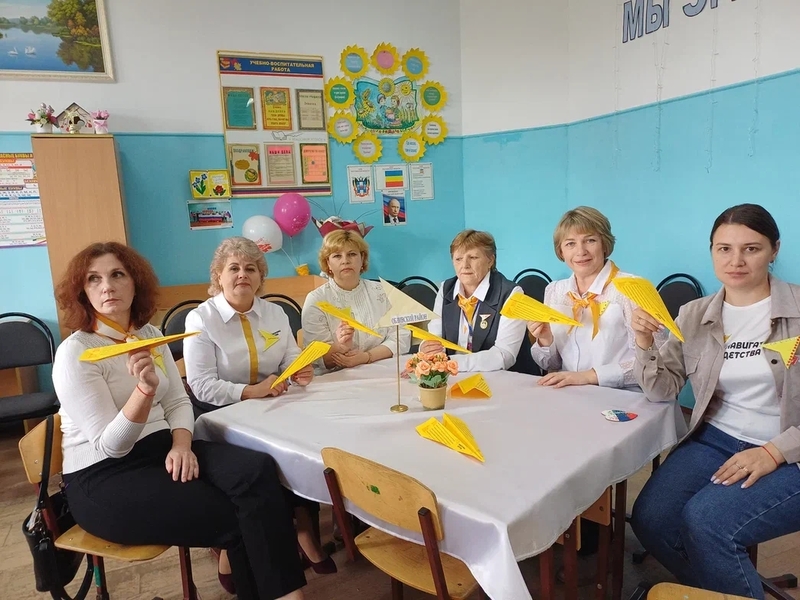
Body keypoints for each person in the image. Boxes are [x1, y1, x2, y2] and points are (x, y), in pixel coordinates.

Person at [52, 242, 307, 600]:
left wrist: (182, 444)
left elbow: (177, 399)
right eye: (94, 279)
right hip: (104, 475)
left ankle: (285, 595)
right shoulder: (76, 352)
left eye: (117, 275)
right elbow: (112, 445)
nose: (106, 286)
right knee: (235, 513)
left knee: (257, 471)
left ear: (135, 283)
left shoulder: (149, 335)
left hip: (163, 449)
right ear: (82, 291)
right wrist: (143, 392)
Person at [630, 204, 800, 599]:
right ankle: (730, 587)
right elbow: (661, 389)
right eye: (724, 249)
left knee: (707, 522)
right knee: (651, 519)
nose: (735, 260)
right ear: (711, 251)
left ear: (774, 249)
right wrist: (643, 343)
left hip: (787, 448)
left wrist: (775, 451)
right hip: (716, 439)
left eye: (751, 249)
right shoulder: (694, 315)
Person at [183, 237, 335, 586]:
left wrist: (299, 370)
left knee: (305, 444)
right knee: (262, 463)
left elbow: (289, 360)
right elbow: (201, 385)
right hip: (220, 414)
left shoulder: (275, 313)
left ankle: (303, 528)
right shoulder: (201, 318)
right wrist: (250, 391)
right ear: (218, 276)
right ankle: (239, 547)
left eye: (250, 268)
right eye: (233, 268)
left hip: (271, 404)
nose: (242, 275)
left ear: (260, 277)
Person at [529, 206, 667, 388]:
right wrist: (546, 339)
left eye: (590, 240)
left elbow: (659, 360)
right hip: (570, 391)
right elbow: (550, 365)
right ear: (561, 251)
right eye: (570, 244)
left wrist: (590, 376)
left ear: (605, 245)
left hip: (623, 395)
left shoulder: (633, 289)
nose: (581, 251)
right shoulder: (554, 291)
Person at [422, 229, 536, 374]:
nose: (465, 265)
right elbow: (434, 337)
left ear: (490, 260)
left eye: (473, 257)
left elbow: (504, 355)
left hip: (507, 379)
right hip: (455, 375)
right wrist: (427, 349)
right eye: (458, 259)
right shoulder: (446, 289)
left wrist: (450, 363)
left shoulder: (511, 293)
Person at [302, 230, 410, 371]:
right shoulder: (316, 299)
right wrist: (340, 347)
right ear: (328, 263)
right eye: (337, 256)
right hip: (336, 376)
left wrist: (367, 357)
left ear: (362, 258)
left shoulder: (384, 292)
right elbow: (316, 358)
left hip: (382, 368)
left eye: (352, 254)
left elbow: (401, 336)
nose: (345, 261)